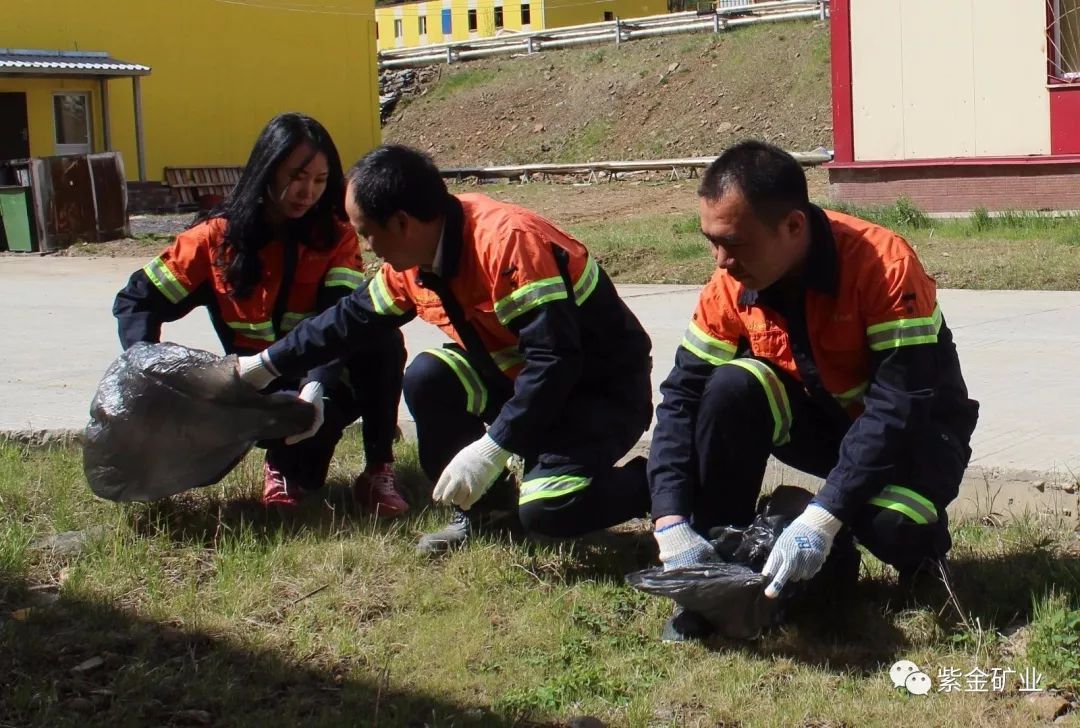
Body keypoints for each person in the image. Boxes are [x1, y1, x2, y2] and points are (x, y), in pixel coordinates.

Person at [236, 144, 654, 553]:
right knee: (429, 376)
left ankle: (669, 479)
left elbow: (556, 362)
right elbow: (345, 321)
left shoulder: (507, 244)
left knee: (548, 510)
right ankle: (485, 512)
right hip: (524, 381)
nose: (366, 247)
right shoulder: (416, 256)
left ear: (401, 222)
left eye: (367, 233)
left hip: (596, 394)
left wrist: (494, 447)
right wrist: (265, 365)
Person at [647, 140, 979, 638]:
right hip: (828, 426)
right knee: (731, 386)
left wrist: (823, 518)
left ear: (793, 226)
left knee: (893, 525)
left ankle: (920, 557)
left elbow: (898, 407)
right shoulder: (729, 285)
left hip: (915, 436)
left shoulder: (881, 265)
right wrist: (670, 520)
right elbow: (682, 400)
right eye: (710, 241)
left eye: (734, 243)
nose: (720, 261)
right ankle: (720, 571)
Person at [113, 113, 408, 514]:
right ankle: (283, 464)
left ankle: (377, 470)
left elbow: (341, 320)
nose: (307, 192)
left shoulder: (335, 235)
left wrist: (316, 385)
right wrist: (147, 368)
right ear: (267, 170)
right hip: (251, 387)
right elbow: (137, 299)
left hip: (318, 386)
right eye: (297, 177)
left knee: (383, 339)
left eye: (321, 181)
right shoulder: (214, 240)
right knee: (295, 457)